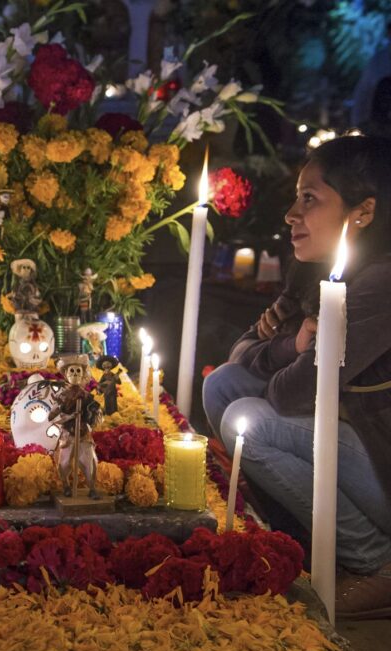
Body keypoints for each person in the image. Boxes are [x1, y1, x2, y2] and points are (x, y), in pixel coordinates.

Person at [202, 135, 391, 620]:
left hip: (383, 462)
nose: (291, 213)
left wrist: (288, 365)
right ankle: (310, 542)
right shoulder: (318, 272)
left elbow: (291, 392)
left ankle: (378, 564)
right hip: (356, 445)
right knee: (222, 385)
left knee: (253, 421)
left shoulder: (380, 285)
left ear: (363, 212)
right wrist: (290, 347)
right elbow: (243, 352)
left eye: (310, 199)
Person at [351, 20, 391, 129]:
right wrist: (359, 122)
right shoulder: (378, 61)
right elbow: (364, 92)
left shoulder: (379, 60)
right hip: (382, 126)